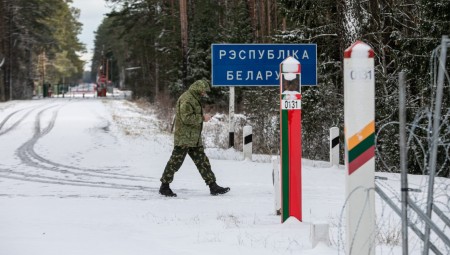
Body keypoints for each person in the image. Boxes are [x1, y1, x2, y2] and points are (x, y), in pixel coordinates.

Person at [159, 79, 230, 197]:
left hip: (194, 138)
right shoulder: (187, 99)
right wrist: (202, 118)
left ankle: (213, 186)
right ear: (198, 89)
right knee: (175, 162)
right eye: (203, 91)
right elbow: (186, 118)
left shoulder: (194, 97)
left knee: (203, 162)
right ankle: (164, 186)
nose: (204, 94)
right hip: (184, 138)